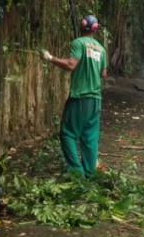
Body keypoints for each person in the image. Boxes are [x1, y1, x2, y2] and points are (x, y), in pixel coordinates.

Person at [41, 14, 108, 178]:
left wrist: (50, 58)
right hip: (96, 100)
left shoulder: (78, 43)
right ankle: (90, 173)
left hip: (80, 98)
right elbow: (104, 73)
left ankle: (77, 173)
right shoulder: (101, 49)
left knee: (67, 134)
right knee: (90, 137)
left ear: (82, 26)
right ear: (95, 29)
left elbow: (71, 65)